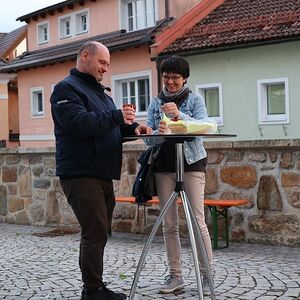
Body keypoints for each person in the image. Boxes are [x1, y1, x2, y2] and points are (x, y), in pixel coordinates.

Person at [50, 41, 151, 300]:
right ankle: (92, 291)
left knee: (100, 231)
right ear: (85, 56)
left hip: (102, 172)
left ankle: (95, 287)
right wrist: (118, 116)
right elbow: (78, 124)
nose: (105, 68)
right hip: (81, 173)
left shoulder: (103, 94)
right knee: (94, 231)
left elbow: (110, 127)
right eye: (102, 62)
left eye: (107, 64)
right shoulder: (65, 89)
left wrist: (133, 128)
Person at [146, 55, 213, 294]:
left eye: (175, 77)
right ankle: (176, 277)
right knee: (170, 224)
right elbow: (148, 140)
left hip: (192, 163)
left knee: (197, 221)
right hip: (164, 165)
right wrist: (158, 132)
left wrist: (178, 117)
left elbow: (205, 127)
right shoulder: (155, 102)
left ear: (184, 78)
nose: (170, 82)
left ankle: (207, 277)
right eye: (166, 77)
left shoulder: (194, 99)